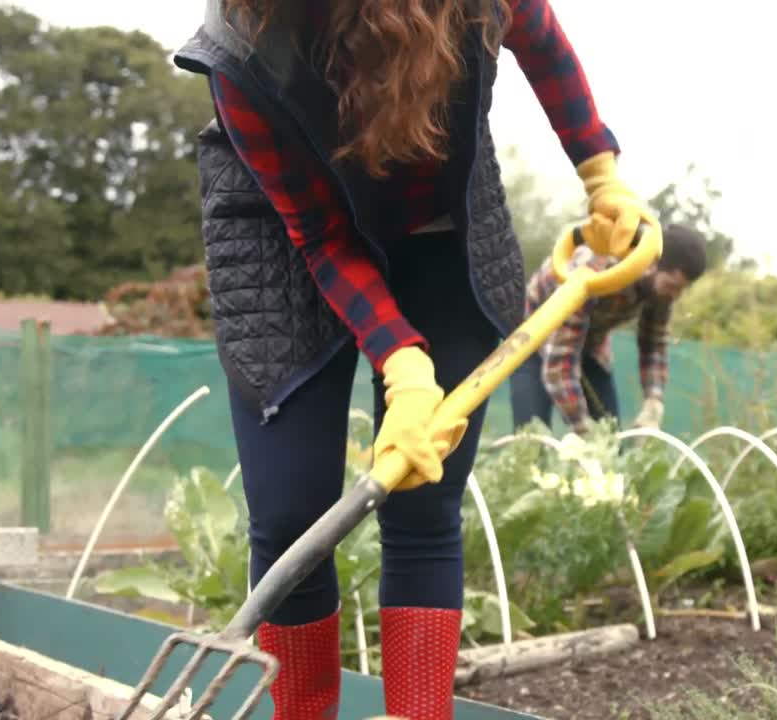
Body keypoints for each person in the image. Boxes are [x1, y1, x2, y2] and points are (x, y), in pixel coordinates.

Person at [170, 1, 654, 718]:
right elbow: (323, 236)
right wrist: (403, 364)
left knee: (426, 501)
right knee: (292, 520)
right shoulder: (244, 42)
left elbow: (543, 42)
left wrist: (600, 170)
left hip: (441, 227)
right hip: (285, 239)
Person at [510, 223, 707, 435]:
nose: (675, 296)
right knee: (532, 439)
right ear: (652, 264)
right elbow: (559, 366)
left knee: (610, 435)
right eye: (672, 286)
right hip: (533, 338)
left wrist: (654, 400)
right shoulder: (595, 271)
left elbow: (653, 345)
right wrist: (583, 429)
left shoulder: (662, 292)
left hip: (589, 344)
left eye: (681, 289)